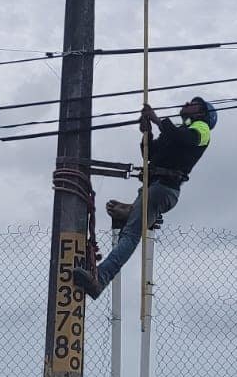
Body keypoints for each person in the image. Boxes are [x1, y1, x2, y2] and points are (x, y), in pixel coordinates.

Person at [72, 95, 216, 299]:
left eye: (194, 104)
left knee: (131, 235)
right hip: (153, 188)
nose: (187, 104)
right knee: (131, 230)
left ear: (202, 113)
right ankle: (132, 212)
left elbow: (182, 138)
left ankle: (101, 279)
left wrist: (156, 120)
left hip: (164, 189)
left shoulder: (202, 129)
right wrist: (147, 133)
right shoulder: (176, 133)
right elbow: (150, 154)